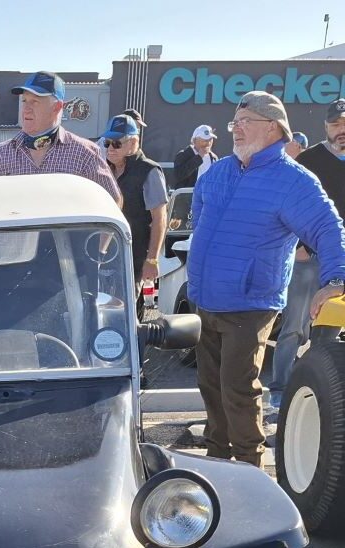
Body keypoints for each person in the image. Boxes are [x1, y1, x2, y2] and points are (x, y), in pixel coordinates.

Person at [188, 91, 345, 467]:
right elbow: (198, 213)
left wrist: (336, 279)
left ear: (273, 128)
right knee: (210, 386)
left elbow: (328, 228)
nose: (236, 129)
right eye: (235, 122)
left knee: (238, 389)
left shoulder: (293, 180)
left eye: (246, 122)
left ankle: (249, 467)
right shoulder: (219, 172)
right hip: (205, 299)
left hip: (250, 303)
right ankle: (216, 459)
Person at [269, 101, 345, 406]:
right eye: (336, 124)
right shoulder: (308, 160)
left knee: (329, 330)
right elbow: (286, 204)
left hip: (341, 264)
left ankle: (317, 391)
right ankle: (279, 391)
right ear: (325, 127)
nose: (341, 130)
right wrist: (298, 246)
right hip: (309, 258)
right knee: (295, 328)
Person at [0, 71, 120, 203]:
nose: (26, 109)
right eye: (24, 100)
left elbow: (112, 202)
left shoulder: (86, 154)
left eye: (35, 101)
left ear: (57, 107)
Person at [102, 115, 167, 307]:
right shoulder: (104, 169)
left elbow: (160, 219)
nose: (110, 148)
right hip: (103, 258)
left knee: (126, 312)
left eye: (116, 143)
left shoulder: (149, 171)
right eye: (107, 143)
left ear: (133, 142)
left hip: (134, 259)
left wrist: (152, 260)